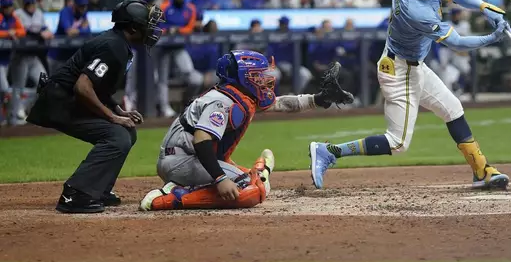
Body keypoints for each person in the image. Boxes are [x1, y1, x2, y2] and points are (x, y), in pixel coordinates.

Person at [309, 0, 511, 190]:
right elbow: (456, 43)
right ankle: (328, 151)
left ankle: (482, 170)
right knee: (398, 143)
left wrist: (484, 6)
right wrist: (491, 38)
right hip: (399, 71)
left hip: (414, 66)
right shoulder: (415, 11)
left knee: (452, 109)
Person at [139, 51, 354, 211]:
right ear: (242, 77)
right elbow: (202, 141)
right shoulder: (222, 101)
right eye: (257, 75)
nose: (264, 78)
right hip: (181, 159)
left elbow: (281, 104)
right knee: (253, 191)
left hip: (187, 158)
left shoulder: (240, 95)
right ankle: (172, 197)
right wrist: (220, 179)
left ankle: (254, 173)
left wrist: (318, 99)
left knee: (254, 185)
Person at [26, 0, 165, 214]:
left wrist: (119, 111)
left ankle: (97, 189)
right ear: (132, 28)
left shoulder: (118, 43)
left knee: (127, 132)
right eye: (147, 24)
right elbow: (83, 87)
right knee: (116, 136)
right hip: (59, 102)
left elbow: (98, 88)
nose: (152, 29)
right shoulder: (113, 46)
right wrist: (112, 117)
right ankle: (75, 193)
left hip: (66, 99)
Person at [157, 0, 203, 117]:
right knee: (162, 79)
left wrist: (178, 30)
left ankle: (187, 101)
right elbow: (157, 26)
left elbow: (190, 27)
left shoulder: (190, 8)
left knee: (191, 74)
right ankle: (164, 108)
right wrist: (167, 31)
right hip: (163, 47)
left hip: (179, 47)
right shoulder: (165, 7)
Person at [10, 0, 51, 124]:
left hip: (34, 57)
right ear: (24, 3)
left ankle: (31, 109)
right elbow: (23, 32)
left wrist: (47, 33)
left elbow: (46, 30)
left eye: (33, 2)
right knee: (18, 87)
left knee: (44, 83)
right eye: (28, 3)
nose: (31, 5)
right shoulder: (17, 14)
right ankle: (14, 116)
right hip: (20, 57)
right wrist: (40, 34)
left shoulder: (39, 14)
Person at [47, 0, 91, 75]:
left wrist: (77, 31)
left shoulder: (83, 13)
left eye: (85, 6)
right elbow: (69, 32)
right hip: (57, 55)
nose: (83, 9)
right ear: (75, 5)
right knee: (54, 84)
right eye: (81, 6)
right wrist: (81, 30)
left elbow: (88, 31)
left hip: (71, 56)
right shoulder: (65, 12)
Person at [0, 0, 26, 124]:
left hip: (6, 59)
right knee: (5, 88)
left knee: (2, 91)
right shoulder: (0, 17)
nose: (9, 9)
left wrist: (13, 32)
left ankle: (5, 117)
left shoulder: (14, 18)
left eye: (10, 6)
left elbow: (22, 31)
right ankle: (10, 115)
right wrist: (7, 33)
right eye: (6, 7)